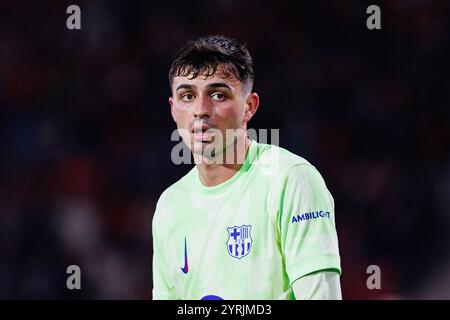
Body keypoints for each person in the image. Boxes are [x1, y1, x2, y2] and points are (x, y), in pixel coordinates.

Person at [152, 35, 342, 300]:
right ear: (173, 109)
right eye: (187, 95)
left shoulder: (291, 180)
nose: (200, 110)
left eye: (218, 95)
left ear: (249, 107)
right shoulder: (170, 205)